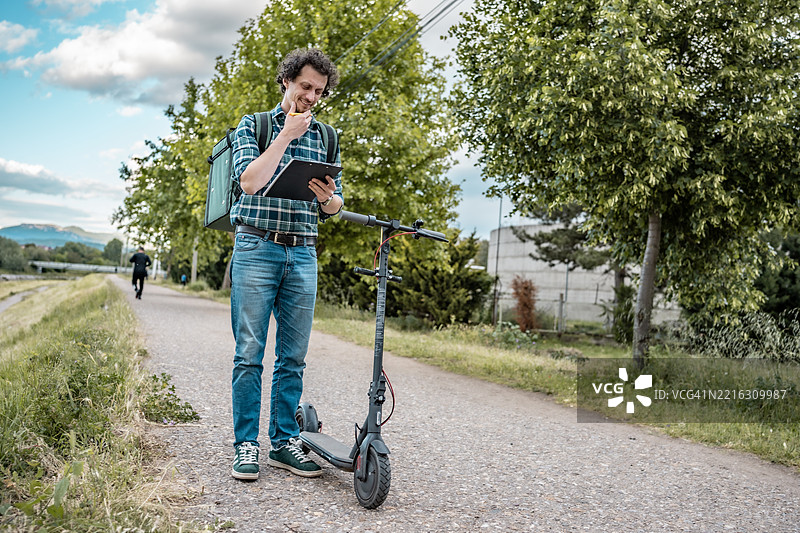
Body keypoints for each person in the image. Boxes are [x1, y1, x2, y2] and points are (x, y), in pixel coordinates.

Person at [228, 48, 343, 481]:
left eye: (319, 91)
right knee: (249, 353)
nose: (312, 96)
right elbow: (249, 181)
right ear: (286, 82)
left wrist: (328, 200)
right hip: (257, 247)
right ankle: (246, 445)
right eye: (305, 87)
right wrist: (286, 136)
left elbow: (335, 205)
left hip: (304, 251)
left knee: (293, 357)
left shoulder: (327, 136)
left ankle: (283, 443)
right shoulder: (254, 125)